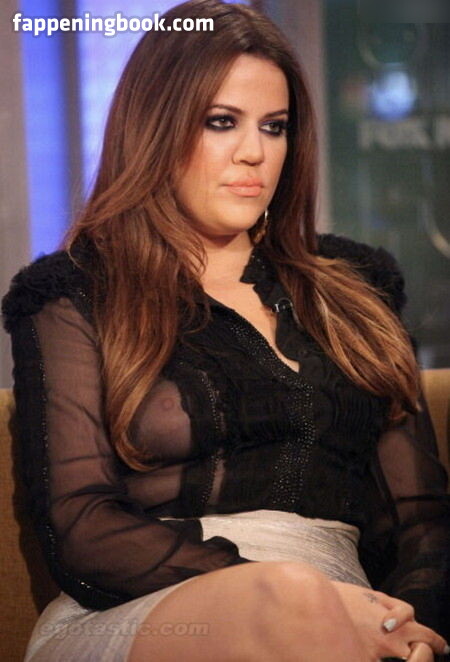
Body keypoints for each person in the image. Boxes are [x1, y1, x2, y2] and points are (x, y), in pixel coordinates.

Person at [2, 1, 449, 660]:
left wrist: (408, 624)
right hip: (142, 610)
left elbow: (424, 524)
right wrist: (297, 596)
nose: (253, 152)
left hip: (354, 615)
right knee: (292, 597)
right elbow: (81, 525)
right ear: (156, 128)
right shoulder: (74, 292)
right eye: (221, 122)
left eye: (275, 127)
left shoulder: (358, 286)